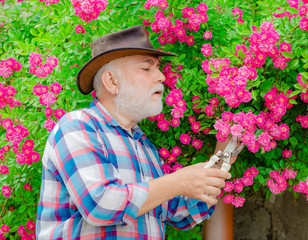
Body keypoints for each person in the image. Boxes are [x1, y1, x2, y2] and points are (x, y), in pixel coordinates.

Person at [36, 25, 235, 239]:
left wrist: (222, 158)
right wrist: (178, 182)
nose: (161, 77)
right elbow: (100, 204)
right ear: (112, 81)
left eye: (158, 68)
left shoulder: (143, 144)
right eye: (146, 68)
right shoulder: (77, 126)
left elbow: (178, 213)